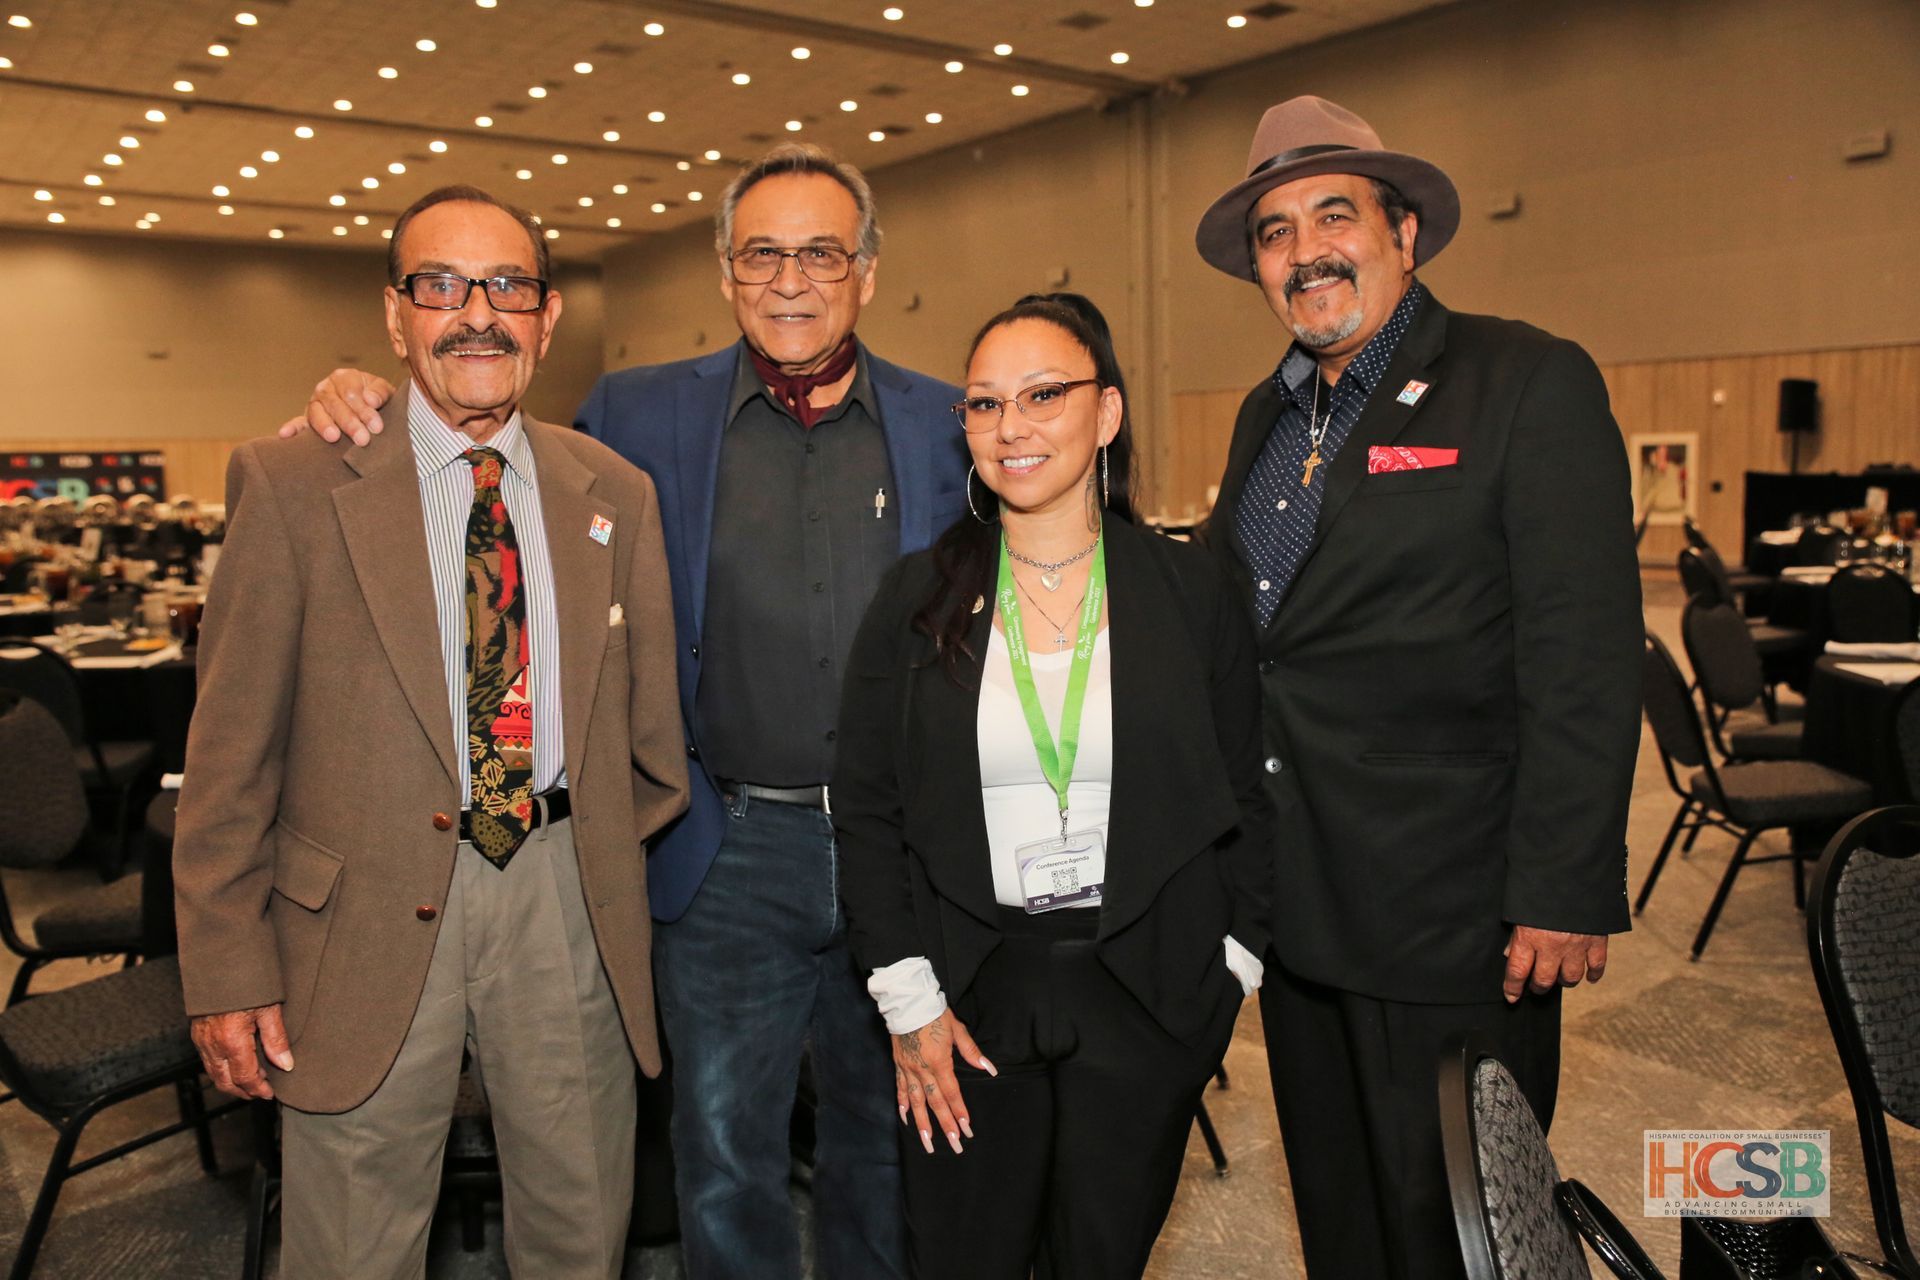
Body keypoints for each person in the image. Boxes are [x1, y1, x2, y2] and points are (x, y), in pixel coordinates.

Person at [281, 143, 968, 1279]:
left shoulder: (952, 424)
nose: (790, 279)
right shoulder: (639, 417)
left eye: (820, 252)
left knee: (886, 1140)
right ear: (725, 271)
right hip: (725, 848)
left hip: (907, 851)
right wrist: (349, 392)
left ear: (869, 270)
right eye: (762, 254)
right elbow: (468, 434)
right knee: (723, 1152)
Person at [174, 184, 690, 1278]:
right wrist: (226, 964)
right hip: (355, 914)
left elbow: (649, 736)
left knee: (579, 1232)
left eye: (508, 285)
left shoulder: (618, 493)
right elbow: (228, 757)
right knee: (352, 1245)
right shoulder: (294, 482)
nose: (477, 313)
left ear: (547, 317)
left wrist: (579, 840)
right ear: (396, 315)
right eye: (441, 285)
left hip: (561, 898)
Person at [1195, 96, 1643, 1278]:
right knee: (1341, 1218)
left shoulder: (1524, 380)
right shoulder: (1266, 415)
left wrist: (1565, 882)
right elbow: (1248, 630)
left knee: (1455, 1231)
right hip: (1298, 902)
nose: (1306, 252)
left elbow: (1585, 650)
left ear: (1405, 232)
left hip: (1455, 916)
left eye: (1333, 215)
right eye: (1275, 233)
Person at [832, 293, 1273, 1279]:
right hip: (970, 984)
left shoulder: (1190, 589)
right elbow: (866, 806)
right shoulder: (918, 596)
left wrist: (1232, 972)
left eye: (1042, 394)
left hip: (1146, 984)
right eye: (984, 405)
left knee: (1103, 1257)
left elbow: (1247, 790)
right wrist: (907, 999)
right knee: (965, 1255)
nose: (1011, 426)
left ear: (1107, 413)